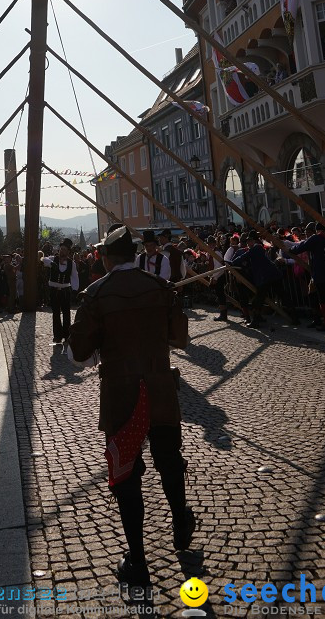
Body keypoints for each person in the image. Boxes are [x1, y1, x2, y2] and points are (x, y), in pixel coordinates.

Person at [67, 224, 195, 600]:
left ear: (106, 258)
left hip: (122, 392)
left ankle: (137, 561)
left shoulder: (96, 294)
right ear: (134, 254)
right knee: (170, 460)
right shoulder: (160, 287)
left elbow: (77, 354)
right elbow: (180, 337)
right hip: (159, 385)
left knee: (126, 475)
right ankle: (180, 519)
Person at [278, 222, 325, 331]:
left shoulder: (315, 239)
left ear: (317, 230)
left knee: (324, 300)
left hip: (321, 274)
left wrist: (290, 251)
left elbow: (301, 247)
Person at [43, 239, 79, 345]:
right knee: (56, 313)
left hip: (65, 290)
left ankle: (67, 336)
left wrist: (75, 290)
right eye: (61, 249)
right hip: (54, 290)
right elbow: (43, 259)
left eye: (64, 250)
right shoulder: (53, 259)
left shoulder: (71, 263)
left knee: (66, 313)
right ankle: (57, 336)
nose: (62, 251)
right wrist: (51, 263)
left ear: (68, 252)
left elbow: (75, 277)